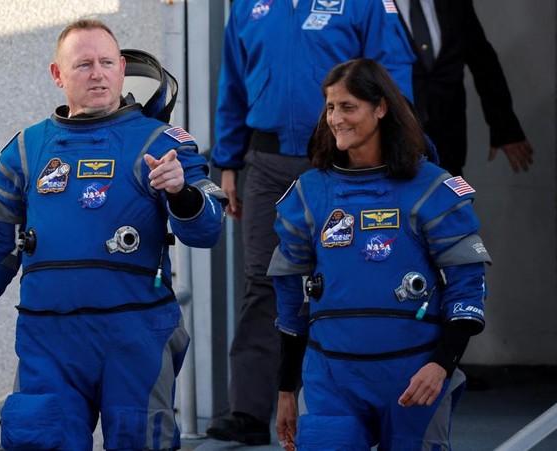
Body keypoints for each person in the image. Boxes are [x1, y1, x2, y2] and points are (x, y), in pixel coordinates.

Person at [0, 19, 227, 451]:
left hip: (135, 336)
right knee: (40, 442)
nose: (98, 73)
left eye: (107, 62)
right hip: (48, 340)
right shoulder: (28, 149)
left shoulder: (160, 142)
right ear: (57, 75)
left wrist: (180, 192)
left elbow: (208, 228)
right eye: (83, 64)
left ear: (122, 67)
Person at [207, 0, 416, 444]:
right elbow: (232, 84)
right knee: (266, 278)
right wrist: (227, 160)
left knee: (357, 274)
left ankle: (367, 401)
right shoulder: (247, 6)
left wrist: (397, 154)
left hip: (345, 162)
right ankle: (248, 410)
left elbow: (392, 74)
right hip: (266, 161)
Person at [269, 57, 491, 450]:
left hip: (413, 378)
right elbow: (290, 304)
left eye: (348, 106)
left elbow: (467, 293)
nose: (336, 118)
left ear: (381, 107)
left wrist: (440, 366)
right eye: (331, 107)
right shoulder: (309, 193)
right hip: (331, 380)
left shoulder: (431, 189)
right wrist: (287, 390)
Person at [395, 0, 533, 175]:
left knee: (450, 199)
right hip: (392, 143)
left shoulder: (455, 3)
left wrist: (505, 127)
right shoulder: (366, 6)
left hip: (447, 143)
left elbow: (482, 60)